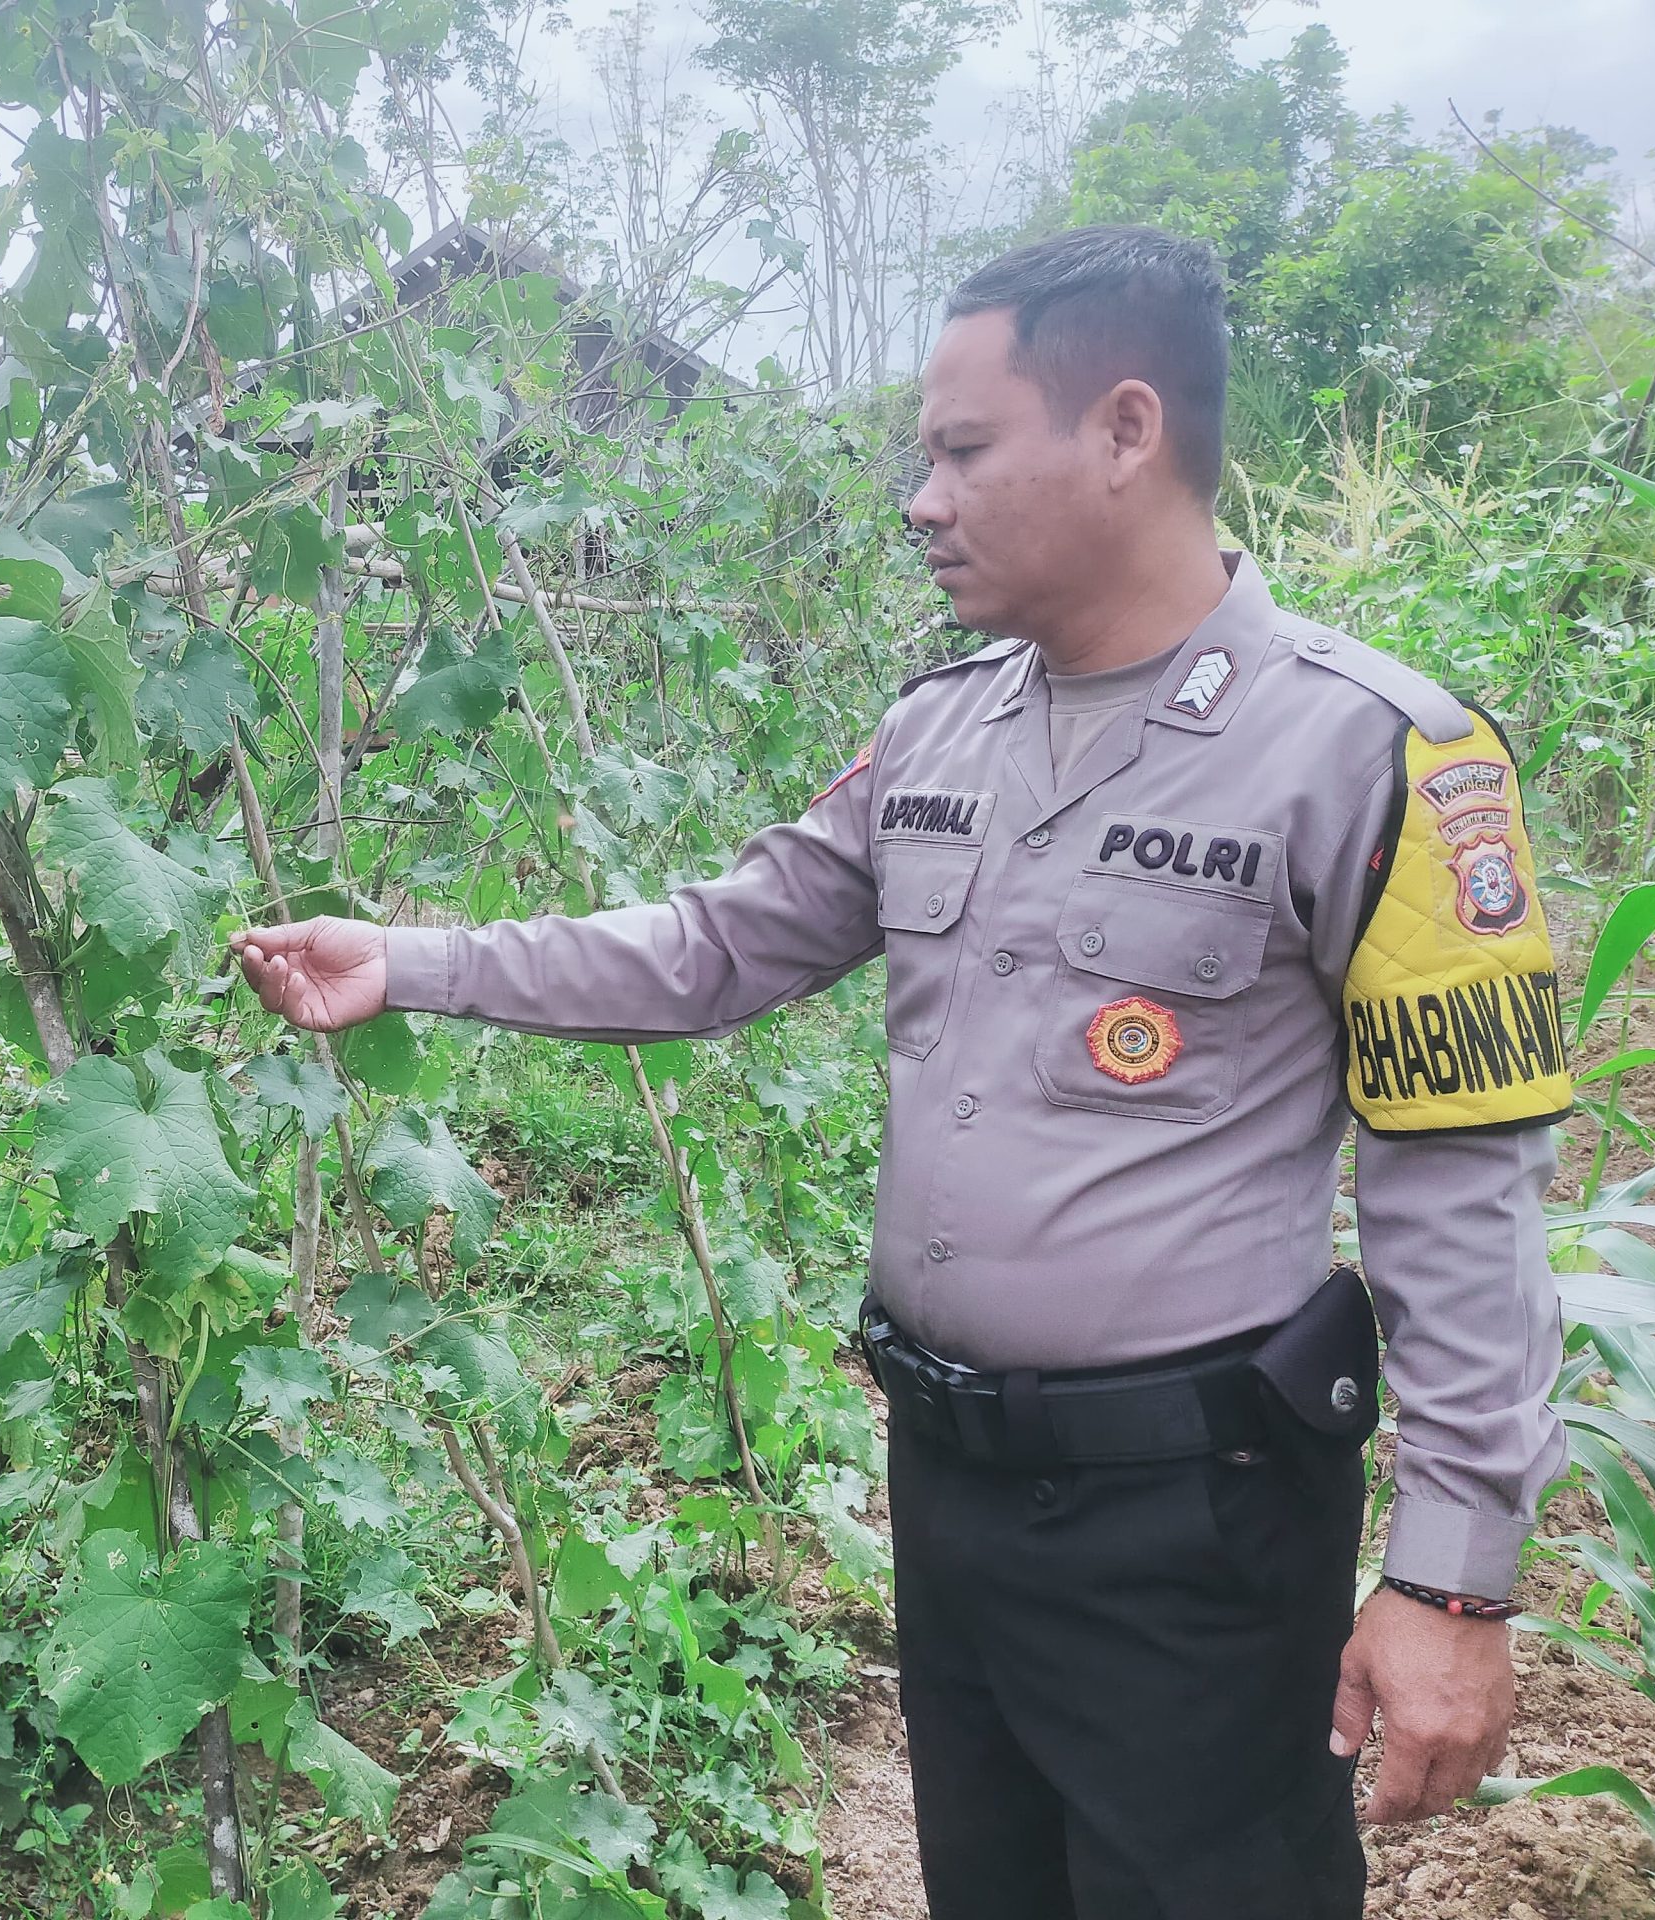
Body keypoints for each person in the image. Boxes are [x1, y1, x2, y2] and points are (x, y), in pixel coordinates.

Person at [232, 224, 1570, 1920]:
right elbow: (717, 945)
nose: (919, 499)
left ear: (1126, 431)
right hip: (947, 1488)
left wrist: (1452, 1589)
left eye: (959, 450)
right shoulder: (944, 730)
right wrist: (409, 960)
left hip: (1197, 1526)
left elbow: (1463, 1194)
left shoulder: (1373, 755)